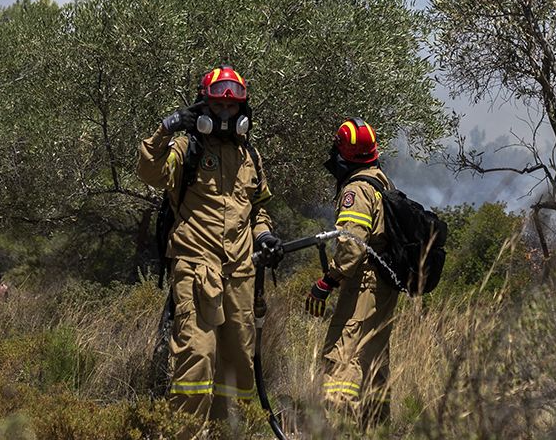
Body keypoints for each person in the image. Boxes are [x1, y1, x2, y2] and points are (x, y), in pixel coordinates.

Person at [137, 65, 277, 437]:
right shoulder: (186, 148)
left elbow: (259, 210)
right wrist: (166, 128)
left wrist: (263, 236)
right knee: (196, 357)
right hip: (196, 268)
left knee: (238, 368)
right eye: (219, 107)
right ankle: (182, 433)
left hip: (240, 275)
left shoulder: (251, 157)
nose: (226, 115)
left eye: (233, 109)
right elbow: (149, 171)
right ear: (204, 106)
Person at [307, 119, 400, 426]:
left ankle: (339, 424)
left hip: (365, 284)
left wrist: (327, 281)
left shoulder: (357, 189)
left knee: (344, 355)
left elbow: (353, 247)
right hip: (383, 286)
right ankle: (376, 427)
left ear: (343, 153)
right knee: (372, 358)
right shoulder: (381, 181)